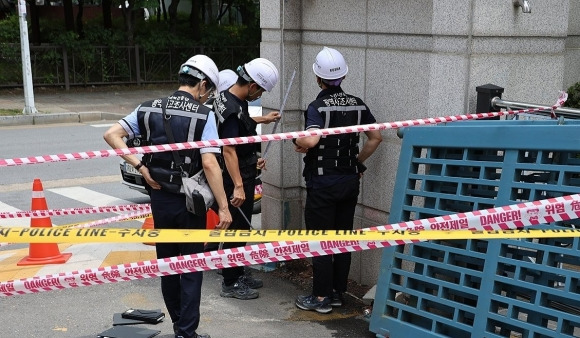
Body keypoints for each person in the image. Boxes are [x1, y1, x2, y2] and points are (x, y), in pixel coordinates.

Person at [103, 54, 232, 338]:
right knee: (191, 267)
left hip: (160, 199)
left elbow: (112, 134)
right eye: (208, 90)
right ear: (201, 84)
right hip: (191, 204)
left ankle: (179, 324)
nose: (206, 96)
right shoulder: (204, 115)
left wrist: (140, 167)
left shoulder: (147, 108)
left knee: (169, 266)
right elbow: (210, 163)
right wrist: (223, 207)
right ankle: (186, 332)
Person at [293, 47, 383, 314]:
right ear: (342, 76)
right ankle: (336, 293)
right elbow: (375, 137)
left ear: (318, 78)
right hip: (349, 182)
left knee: (321, 239)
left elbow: (311, 139)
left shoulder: (317, 106)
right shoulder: (358, 103)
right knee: (343, 238)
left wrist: (297, 140)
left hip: (323, 184)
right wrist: (356, 162)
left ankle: (320, 297)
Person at [212, 58, 280, 300]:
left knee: (240, 229)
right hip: (235, 177)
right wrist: (239, 186)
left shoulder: (227, 99)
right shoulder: (232, 109)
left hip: (242, 168)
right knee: (238, 229)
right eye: (260, 90)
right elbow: (229, 149)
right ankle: (230, 282)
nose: (259, 94)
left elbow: (242, 127)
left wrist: (264, 122)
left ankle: (238, 270)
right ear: (252, 86)